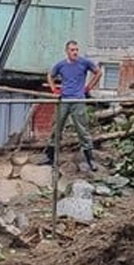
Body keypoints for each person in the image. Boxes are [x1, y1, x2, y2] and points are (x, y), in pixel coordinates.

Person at [43, 40, 101, 171]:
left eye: (76, 50)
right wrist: (54, 90)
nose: (75, 52)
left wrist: (88, 88)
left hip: (78, 100)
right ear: (67, 51)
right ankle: (50, 158)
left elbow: (98, 72)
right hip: (64, 100)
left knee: (82, 129)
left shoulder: (84, 62)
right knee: (57, 127)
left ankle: (90, 159)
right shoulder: (61, 65)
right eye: (72, 50)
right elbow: (50, 76)